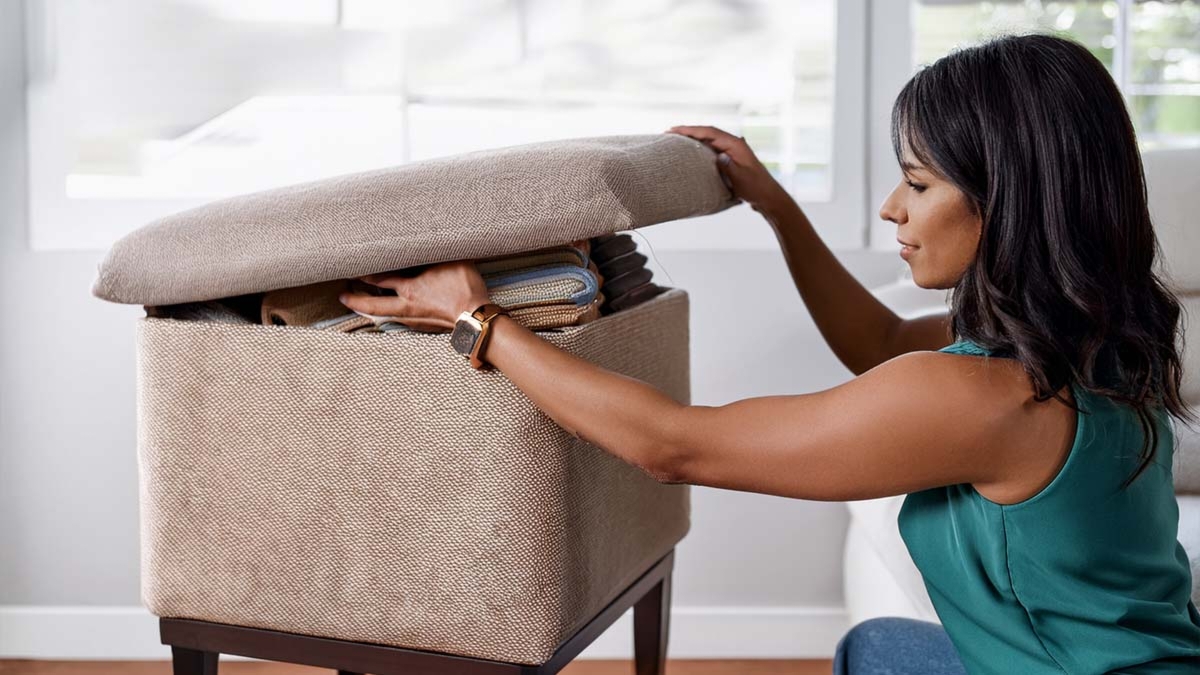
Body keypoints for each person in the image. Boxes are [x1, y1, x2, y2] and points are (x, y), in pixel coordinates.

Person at [339, 33, 1200, 674]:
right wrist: (777, 206)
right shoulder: (1088, 336)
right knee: (874, 645)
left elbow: (674, 445)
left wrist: (478, 319)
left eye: (919, 182)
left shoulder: (992, 398)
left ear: (1010, 201)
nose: (892, 207)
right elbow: (880, 343)